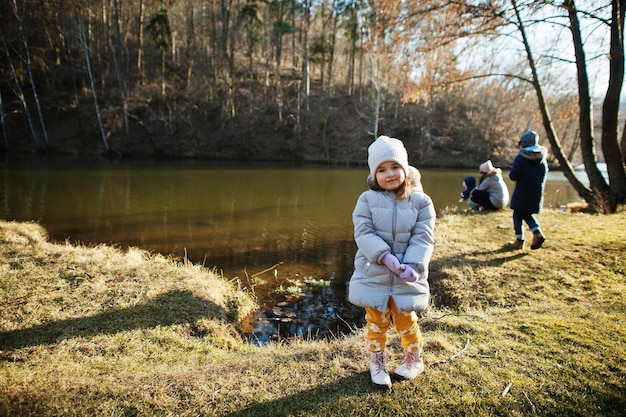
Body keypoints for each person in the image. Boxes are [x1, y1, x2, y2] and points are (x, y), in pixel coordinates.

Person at [348, 135, 436, 389]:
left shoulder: (421, 202)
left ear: (405, 169)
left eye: (395, 167)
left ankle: (414, 359)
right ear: (374, 174)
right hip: (373, 272)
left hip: (405, 275)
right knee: (376, 322)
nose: (390, 174)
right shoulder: (366, 200)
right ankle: (378, 362)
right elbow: (363, 233)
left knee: (406, 321)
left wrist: (413, 265)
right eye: (382, 169)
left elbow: (423, 238)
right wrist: (384, 256)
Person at [508, 130, 548, 250]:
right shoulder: (542, 159)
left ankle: (519, 241)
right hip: (536, 193)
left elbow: (513, 175)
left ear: (524, 144)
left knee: (517, 215)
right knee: (526, 214)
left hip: (522, 192)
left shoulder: (521, 158)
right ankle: (537, 231)